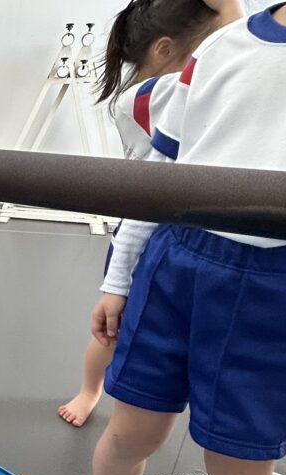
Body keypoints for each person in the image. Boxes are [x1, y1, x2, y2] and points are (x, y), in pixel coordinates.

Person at [49, 2, 286, 475]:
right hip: (181, 258)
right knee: (129, 431)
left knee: (238, 469)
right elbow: (159, 177)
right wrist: (118, 280)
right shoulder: (225, 46)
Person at [58, 0, 239, 428]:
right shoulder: (145, 98)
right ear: (164, 49)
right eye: (206, 48)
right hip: (141, 235)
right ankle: (89, 390)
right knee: (112, 326)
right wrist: (234, 13)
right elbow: (230, 70)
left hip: (182, 236)